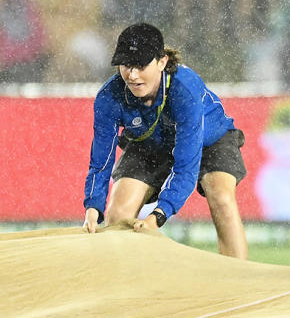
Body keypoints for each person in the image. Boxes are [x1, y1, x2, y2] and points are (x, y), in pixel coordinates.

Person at [82, 22, 249, 259]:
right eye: (126, 65)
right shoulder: (109, 98)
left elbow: (185, 168)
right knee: (117, 216)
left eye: (140, 65)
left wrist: (158, 215)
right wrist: (92, 207)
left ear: (162, 62)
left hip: (209, 140)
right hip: (150, 145)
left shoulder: (185, 90)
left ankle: (238, 280)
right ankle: (127, 284)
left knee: (221, 197)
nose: (132, 75)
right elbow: (101, 161)